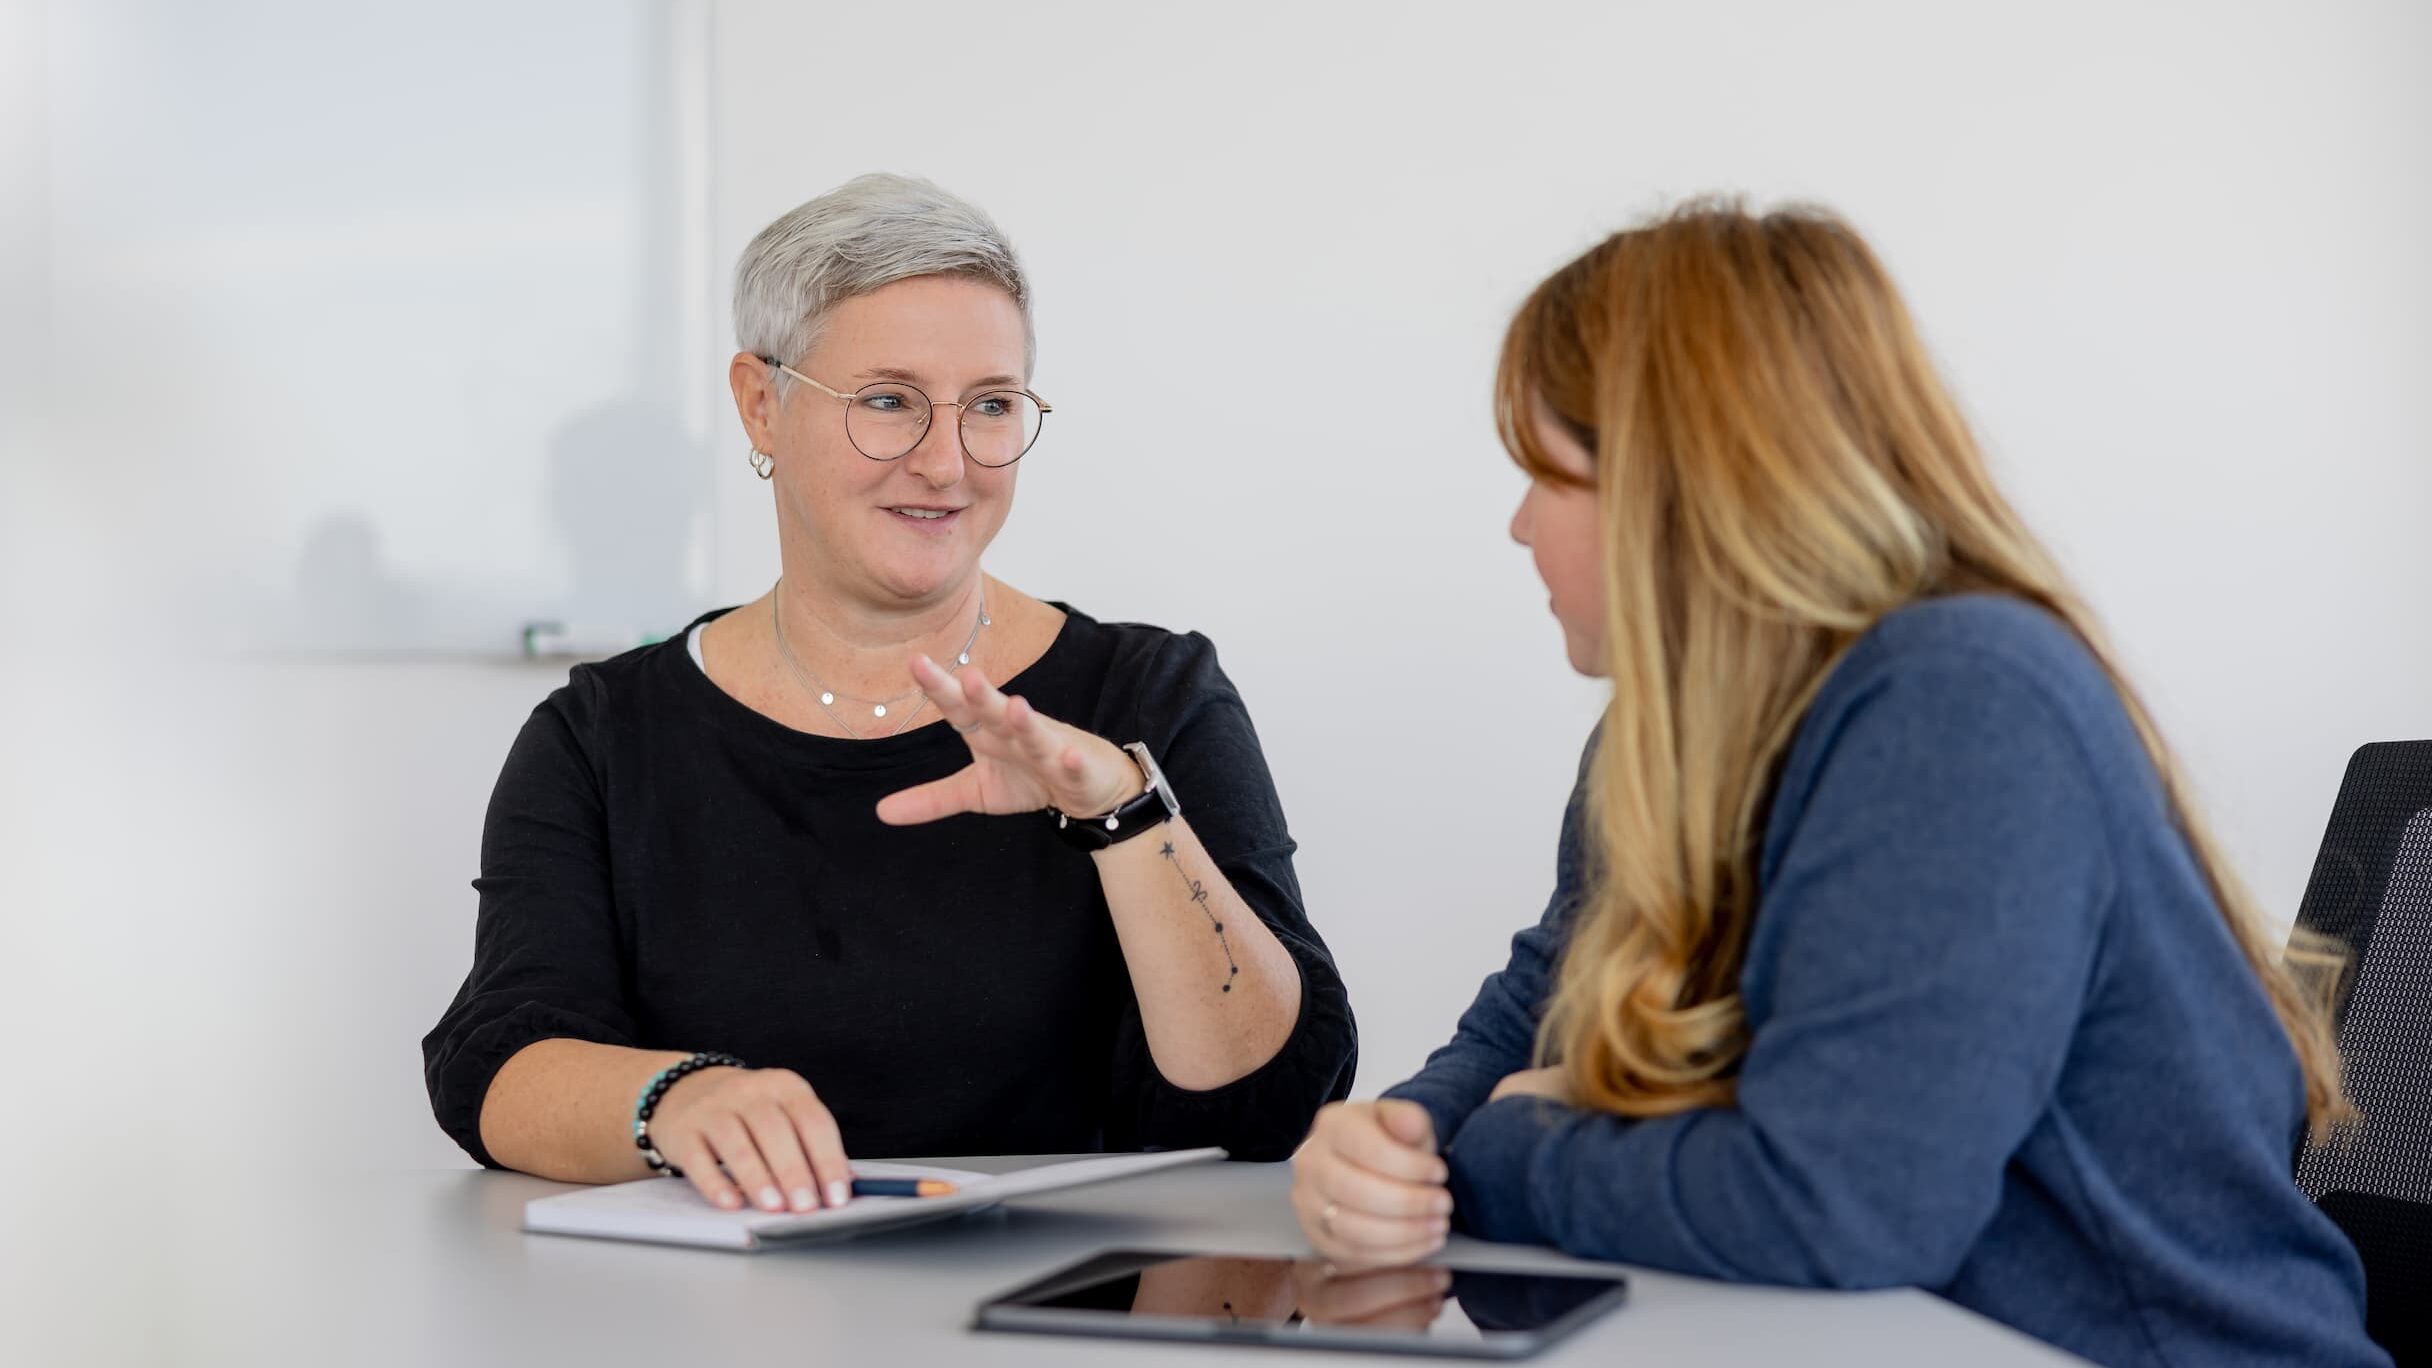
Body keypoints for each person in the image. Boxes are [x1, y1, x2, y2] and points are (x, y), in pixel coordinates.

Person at [1288, 200, 2384, 1368]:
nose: (1514, 526)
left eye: (1546, 474)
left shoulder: (1958, 702)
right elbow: (1538, 1006)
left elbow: (1838, 1206)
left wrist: (1506, 1148)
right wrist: (1398, 1139)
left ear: (1679, 483)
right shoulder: (1667, 734)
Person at [424, 173, 1354, 1216]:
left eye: (990, 407)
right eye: (886, 402)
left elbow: (1271, 1104)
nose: (947, 462)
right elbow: (496, 1061)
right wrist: (674, 1101)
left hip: (1066, 1318)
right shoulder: (601, 737)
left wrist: (1122, 813)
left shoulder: (1147, 694)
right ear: (760, 403)